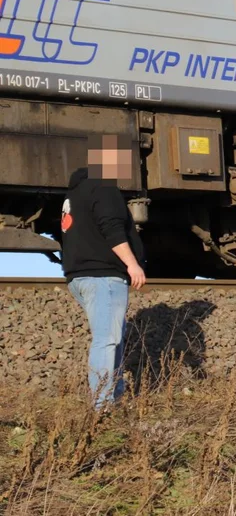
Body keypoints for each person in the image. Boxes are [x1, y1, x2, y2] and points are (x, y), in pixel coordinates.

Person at [62, 134, 146, 411]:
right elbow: (112, 229)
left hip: (81, 276)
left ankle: (114, 400)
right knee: (107, 340)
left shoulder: (75, 193)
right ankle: (102, 406)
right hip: (103, 276)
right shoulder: (104, 188)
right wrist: (132, 264)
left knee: (113, 339)